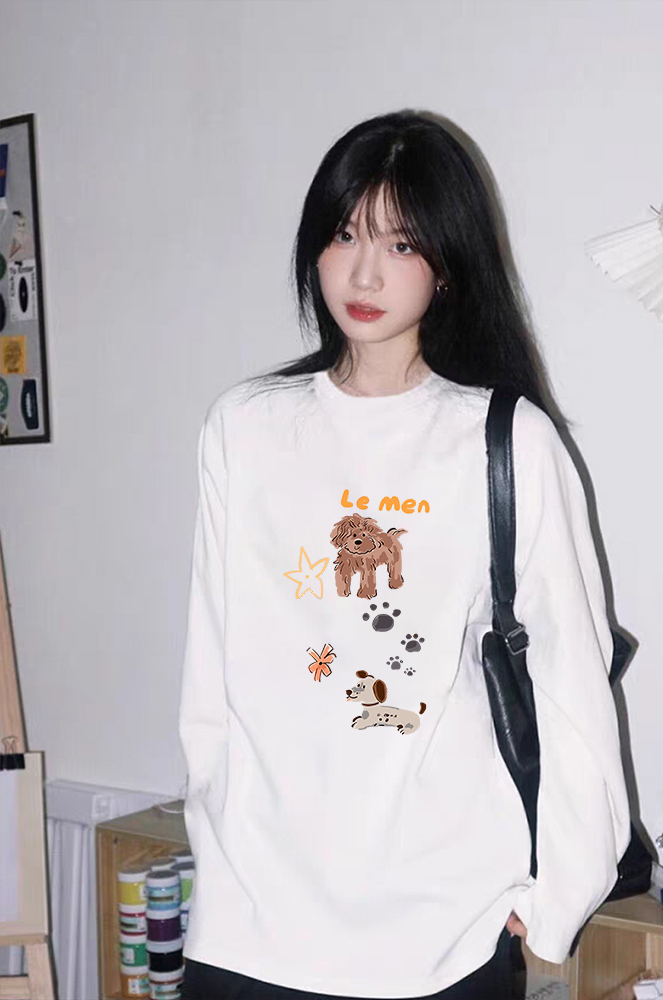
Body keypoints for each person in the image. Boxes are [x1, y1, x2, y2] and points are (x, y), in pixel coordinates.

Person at [178, 110, 631, 1000]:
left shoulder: (505, 440)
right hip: (252, 922)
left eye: (402, 243)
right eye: (345, 234)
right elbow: (210, 668)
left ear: (448, 265)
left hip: (440, 933)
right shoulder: (245, 427)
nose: (365, 272)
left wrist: (558, 894)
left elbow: (572, 680)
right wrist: (213, 836)